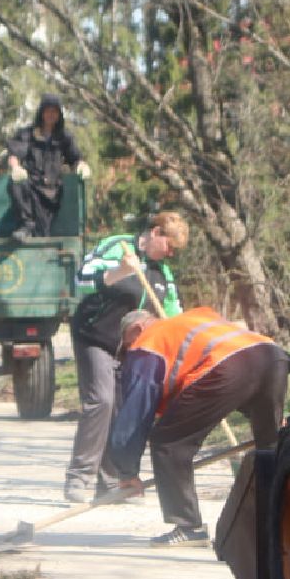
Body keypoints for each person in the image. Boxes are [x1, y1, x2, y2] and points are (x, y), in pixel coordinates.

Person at [105, 306, 290, 547]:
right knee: (271, 444)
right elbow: (242, 371)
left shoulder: (146, 343)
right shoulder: (194, 320)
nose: (128, 355)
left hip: (229, 367)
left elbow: (136, 411)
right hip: (272, 356)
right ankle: (281, 523)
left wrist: (126, 470)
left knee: (168, 442)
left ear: (136, 329)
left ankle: (188, 526)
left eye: (126, 348)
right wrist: (269, 416)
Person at [62, 211, 189, 502]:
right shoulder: (117, 246)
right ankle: (79, 478)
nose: (170, 254)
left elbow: (173, 313)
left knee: (123, 410)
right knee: (102, 401)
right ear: (156, 232)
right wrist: (121, 270)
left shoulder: (162, 272)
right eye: (169, 246)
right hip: (95, 338)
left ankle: (113, 483)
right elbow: (81, 281)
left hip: (131, 349)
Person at [6, 93, 89, 240]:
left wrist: (81, 165)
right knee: (16, 184)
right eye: (48, 110)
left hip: (52, 194)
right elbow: (14, 155)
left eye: (55, 111)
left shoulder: (64, 137)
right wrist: (15, 167)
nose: (51, 115)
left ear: (59, 114)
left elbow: (75, 159)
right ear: (42, 112)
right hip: (31, 188)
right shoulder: (28, 134)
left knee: (42, 234)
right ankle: (26, 225)